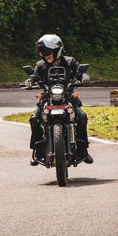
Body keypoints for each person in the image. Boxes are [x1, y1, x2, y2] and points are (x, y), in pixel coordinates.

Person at [24, 34, 93, 165]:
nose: (45, 55)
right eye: (42, 52)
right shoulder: (40, 65)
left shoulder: (70, 62)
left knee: (82, 116)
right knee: (34, 118)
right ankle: (37, 151)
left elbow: (79, 72)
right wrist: (29, 81)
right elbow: (34, 76)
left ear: (57, 51)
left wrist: (85, 76)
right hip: (47, 99)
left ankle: (83, 150)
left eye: (48, 52)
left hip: (68, 97)